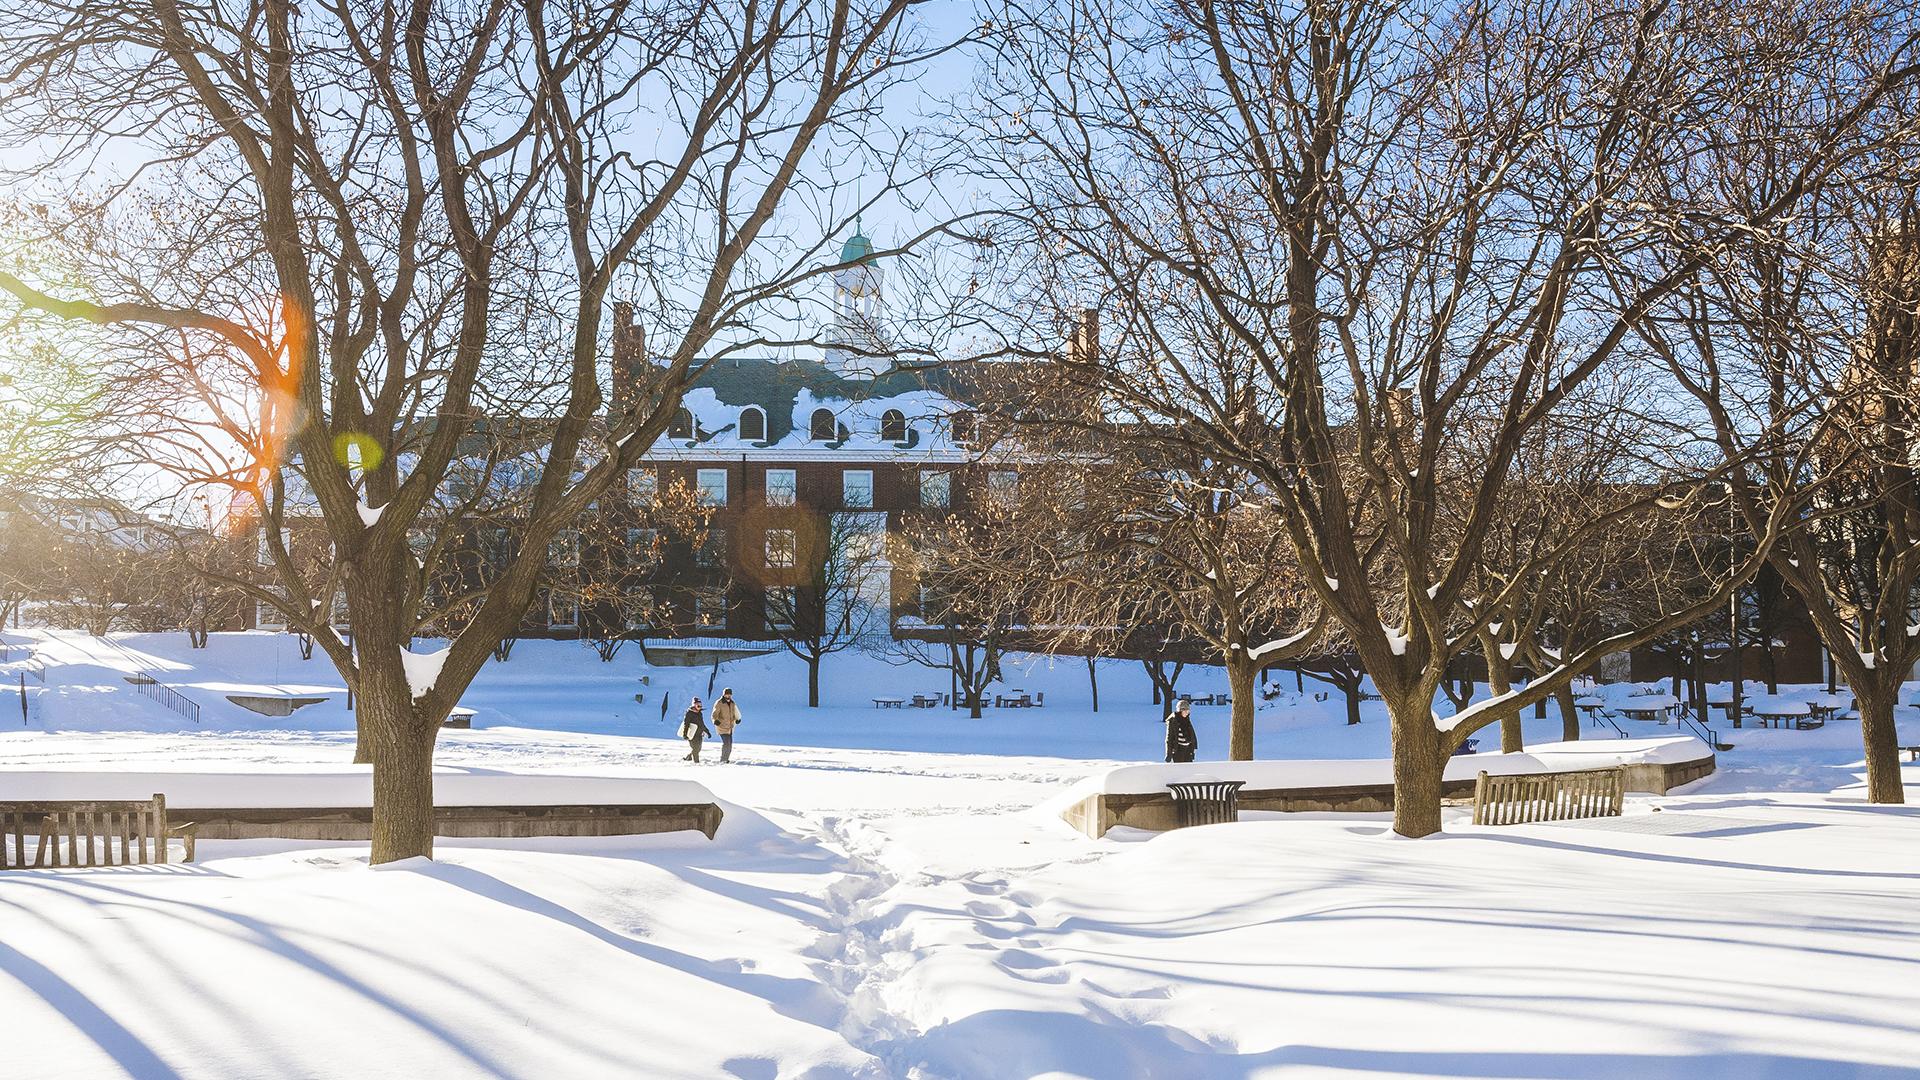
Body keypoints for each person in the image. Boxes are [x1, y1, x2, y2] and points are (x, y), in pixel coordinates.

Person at [711, 688, 742, 764]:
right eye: (727, 694)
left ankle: (726, 759)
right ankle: (723, 760)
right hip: (722, 727)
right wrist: (715, 721)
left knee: (730, 745)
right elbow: (714, 715)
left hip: (730, 728)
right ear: (724, 694)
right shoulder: (719, 703)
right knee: (726, 743)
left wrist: (737, 719)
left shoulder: (732, 703)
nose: (728, 695)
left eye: (729, 694)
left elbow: (734, 713)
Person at [1164, 698, 1198, 763]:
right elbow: (1169, 738)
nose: (1187, 713)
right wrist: (1168, 754)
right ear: (1180, 710)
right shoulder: (1173, 721)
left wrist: (1192, 749)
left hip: (1188, 749)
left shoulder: (1187, 719)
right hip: (1178, 750)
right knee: (1180, 770)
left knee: (1189, 770)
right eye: (1185, 711)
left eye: (1188, 711)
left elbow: (1191, 734)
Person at [679, 697, 712, 763]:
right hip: (692, 734)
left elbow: (702, 724)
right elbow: (686, 724)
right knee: (695, 749)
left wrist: (707, 732)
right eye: (698, 704)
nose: (699, 706)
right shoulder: (689, 713)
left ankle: (689, 757)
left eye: (700, 704)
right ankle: (696, 763)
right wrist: (685, 734)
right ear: (694, 705)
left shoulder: (700, 713)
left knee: (698, 749)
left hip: (699, 734)